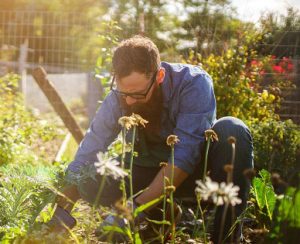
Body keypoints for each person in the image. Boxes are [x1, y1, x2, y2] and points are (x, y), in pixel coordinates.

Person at [48, 35, 253, 243]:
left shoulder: (193, 84)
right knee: (90, 180)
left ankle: (226, 236)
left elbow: (185, 155)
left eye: (137, 94)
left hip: (197, 174)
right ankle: (163, 215)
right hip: (148, 168)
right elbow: (90, 148)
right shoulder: (119, 96)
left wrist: (133, 209)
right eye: (123, 92)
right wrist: (61, 210)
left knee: (233, 130)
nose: (128, 100)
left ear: (160, 76)